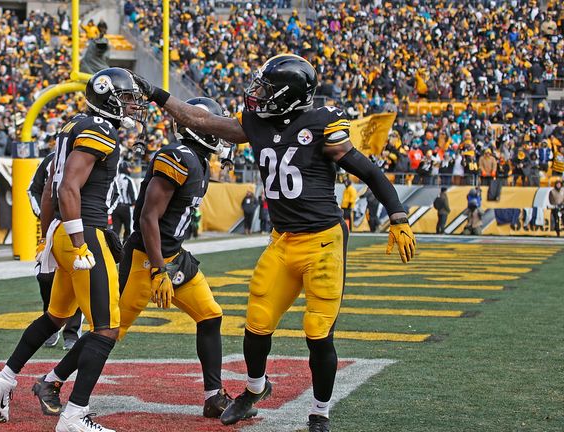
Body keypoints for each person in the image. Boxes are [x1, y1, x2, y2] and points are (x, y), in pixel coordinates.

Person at [132, 54, 416, 432]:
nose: (257, 93)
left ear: (289, 95)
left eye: (266, 87)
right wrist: (157, 94)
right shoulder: (257, 124)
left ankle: (319, 413)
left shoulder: (322, 123)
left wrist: (397, 215)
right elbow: (200, 119)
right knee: (257, 322)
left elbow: (367, 170)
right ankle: (254, 389)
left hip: (323, 242)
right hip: (283, 240)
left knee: (317, 332)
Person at [0, 68, 145, 432]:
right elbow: (69, 186)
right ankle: (74, 416)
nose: (134, 105)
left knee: (55, 317)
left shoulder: (74, 126)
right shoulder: (100, 130)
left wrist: (48, 235)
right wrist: (77, 241)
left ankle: (5, 378)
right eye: (129, 98)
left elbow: (48, 190)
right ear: (111, 97)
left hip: (65, 231)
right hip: (82, 233)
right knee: (106, 329)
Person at [117, 97, 256, 419]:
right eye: (211, 124)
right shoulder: (178, 157)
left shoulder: (200, 159)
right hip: (147, 258)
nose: (219, 131)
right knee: (110, 329)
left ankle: (214, 397)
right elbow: (148, 218)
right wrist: (158, 270)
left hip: (175, 255)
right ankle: (52, 381)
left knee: (210, 315)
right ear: (196, 128)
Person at [26, 150, 83, 349]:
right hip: (53, 227)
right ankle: (50, 324)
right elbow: (33, 189)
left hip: (79, 227)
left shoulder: (91, 155)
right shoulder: (51, 159)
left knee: (78, 277)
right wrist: (44, 214)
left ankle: (72, 331)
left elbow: (111, 192)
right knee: (45, 277)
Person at [110, 161, 137, 241]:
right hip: (126, 208)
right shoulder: (128, 179)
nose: (130, 170)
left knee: (115, 231)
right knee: (128, 231)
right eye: (129, 168)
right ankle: (125, 250)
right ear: (125, 168)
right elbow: (133, 196)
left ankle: (114, 250)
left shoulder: (115, 179)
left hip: (115, 208)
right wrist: (134, 204)